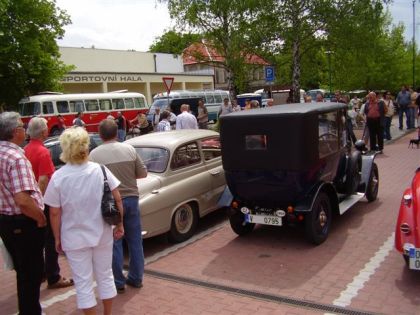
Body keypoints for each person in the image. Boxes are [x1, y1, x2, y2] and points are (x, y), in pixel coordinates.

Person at [44, 126, 124, 315]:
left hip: (73, 237)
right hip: (102, 232)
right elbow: (117, 198)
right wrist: (119, 224)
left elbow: (54, 213)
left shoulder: (59, 177)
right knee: (106, 276)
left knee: (83, 282)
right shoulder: (100, 170)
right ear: (85, 146)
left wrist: (56, 238)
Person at [90, 119, 147, 294]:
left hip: (110, 203)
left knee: (115, 242)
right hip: (131, 198)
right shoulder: (129, 149)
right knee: (135, 240)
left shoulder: (94, 155)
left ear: (100, 135)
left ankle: (118, 281)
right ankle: (136, 278)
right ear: (117, 132)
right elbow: (142, 173)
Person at [0, 112, 47, 315]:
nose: (24, 129)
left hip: (6, 220)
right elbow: (23, 200)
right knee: (31, 274)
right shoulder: (16, 157)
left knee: (23, 271)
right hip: (23, 222)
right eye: (21, 125)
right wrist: (40, 218)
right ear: (15, 132)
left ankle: (28, 309)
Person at [24, 117, 74, 290]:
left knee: (37, 241)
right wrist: (41, 203)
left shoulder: (26, 149)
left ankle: (41, 273)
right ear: (44, 132)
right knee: (51, 240)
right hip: (42, 202)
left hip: (30, 201)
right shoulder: (43, 152)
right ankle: (53, 276)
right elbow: (43, 180)